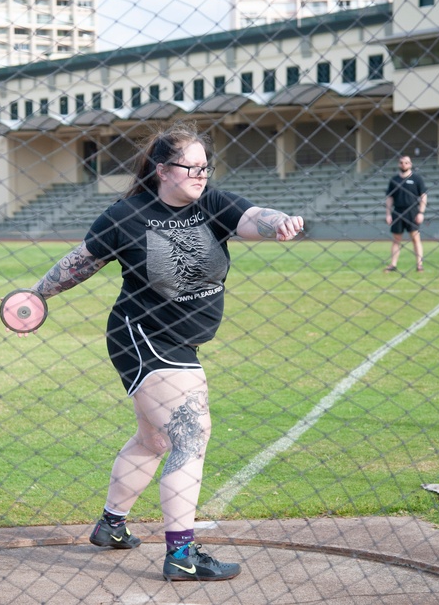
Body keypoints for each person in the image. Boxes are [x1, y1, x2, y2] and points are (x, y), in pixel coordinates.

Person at [23, 121, 304, 582]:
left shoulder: (211, 203)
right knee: (190, 436)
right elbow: (80, 262)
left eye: (205, 166)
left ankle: (111, 526)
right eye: (190, 167)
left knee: (153, 441)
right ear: (161, 170)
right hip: (145, 337)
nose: (200, 175)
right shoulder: (125, 215)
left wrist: (280, 224)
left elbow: (253, 217)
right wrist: (36, 297)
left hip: (181, 340)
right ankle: (181, 555)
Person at [384, 155, 427, 273]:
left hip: (412, 211)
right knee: (396, 240)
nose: (404, 164)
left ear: (410, 164)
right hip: (397, 211)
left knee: (415, 238)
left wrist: (421, 212)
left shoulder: (417, 179)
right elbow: (389, 198)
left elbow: (423, 196)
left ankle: (419, 265)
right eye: (401, 162)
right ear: (399, 164)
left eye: (406, 162)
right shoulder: (394, 180)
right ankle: (393, 264)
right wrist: (388, 214)